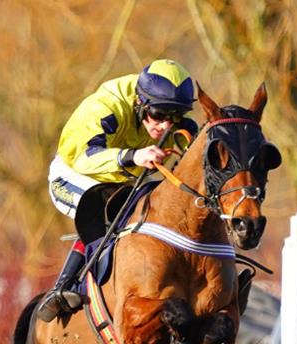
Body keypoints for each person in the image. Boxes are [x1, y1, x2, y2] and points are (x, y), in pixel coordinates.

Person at [36, 58, 198, 322]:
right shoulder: (104, 108)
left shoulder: (165, 119)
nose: (165, 126)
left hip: (121, 183)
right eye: (158, 115)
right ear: (140, 103)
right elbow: (84, 157)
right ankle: (62, 287)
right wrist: (132, 156)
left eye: (175, 118)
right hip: (74, 175)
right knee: (109, 211)